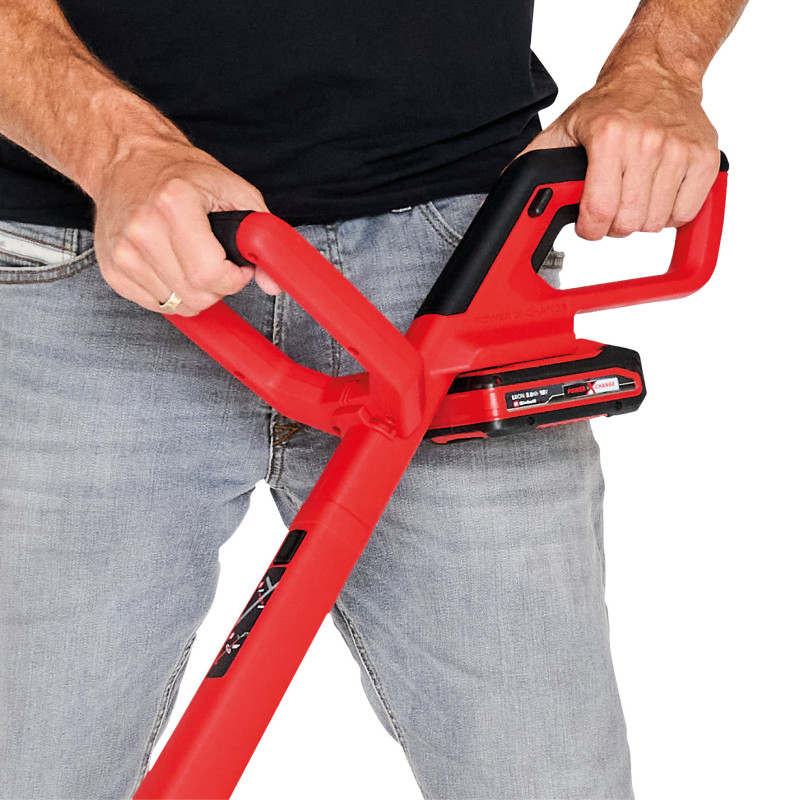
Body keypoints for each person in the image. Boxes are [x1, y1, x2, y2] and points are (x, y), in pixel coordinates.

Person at [0, 1, 747, 798]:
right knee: (38, 770)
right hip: (99, 242)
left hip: (461, 262)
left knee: (543, 775)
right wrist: (116, 149)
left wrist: (660, 68)